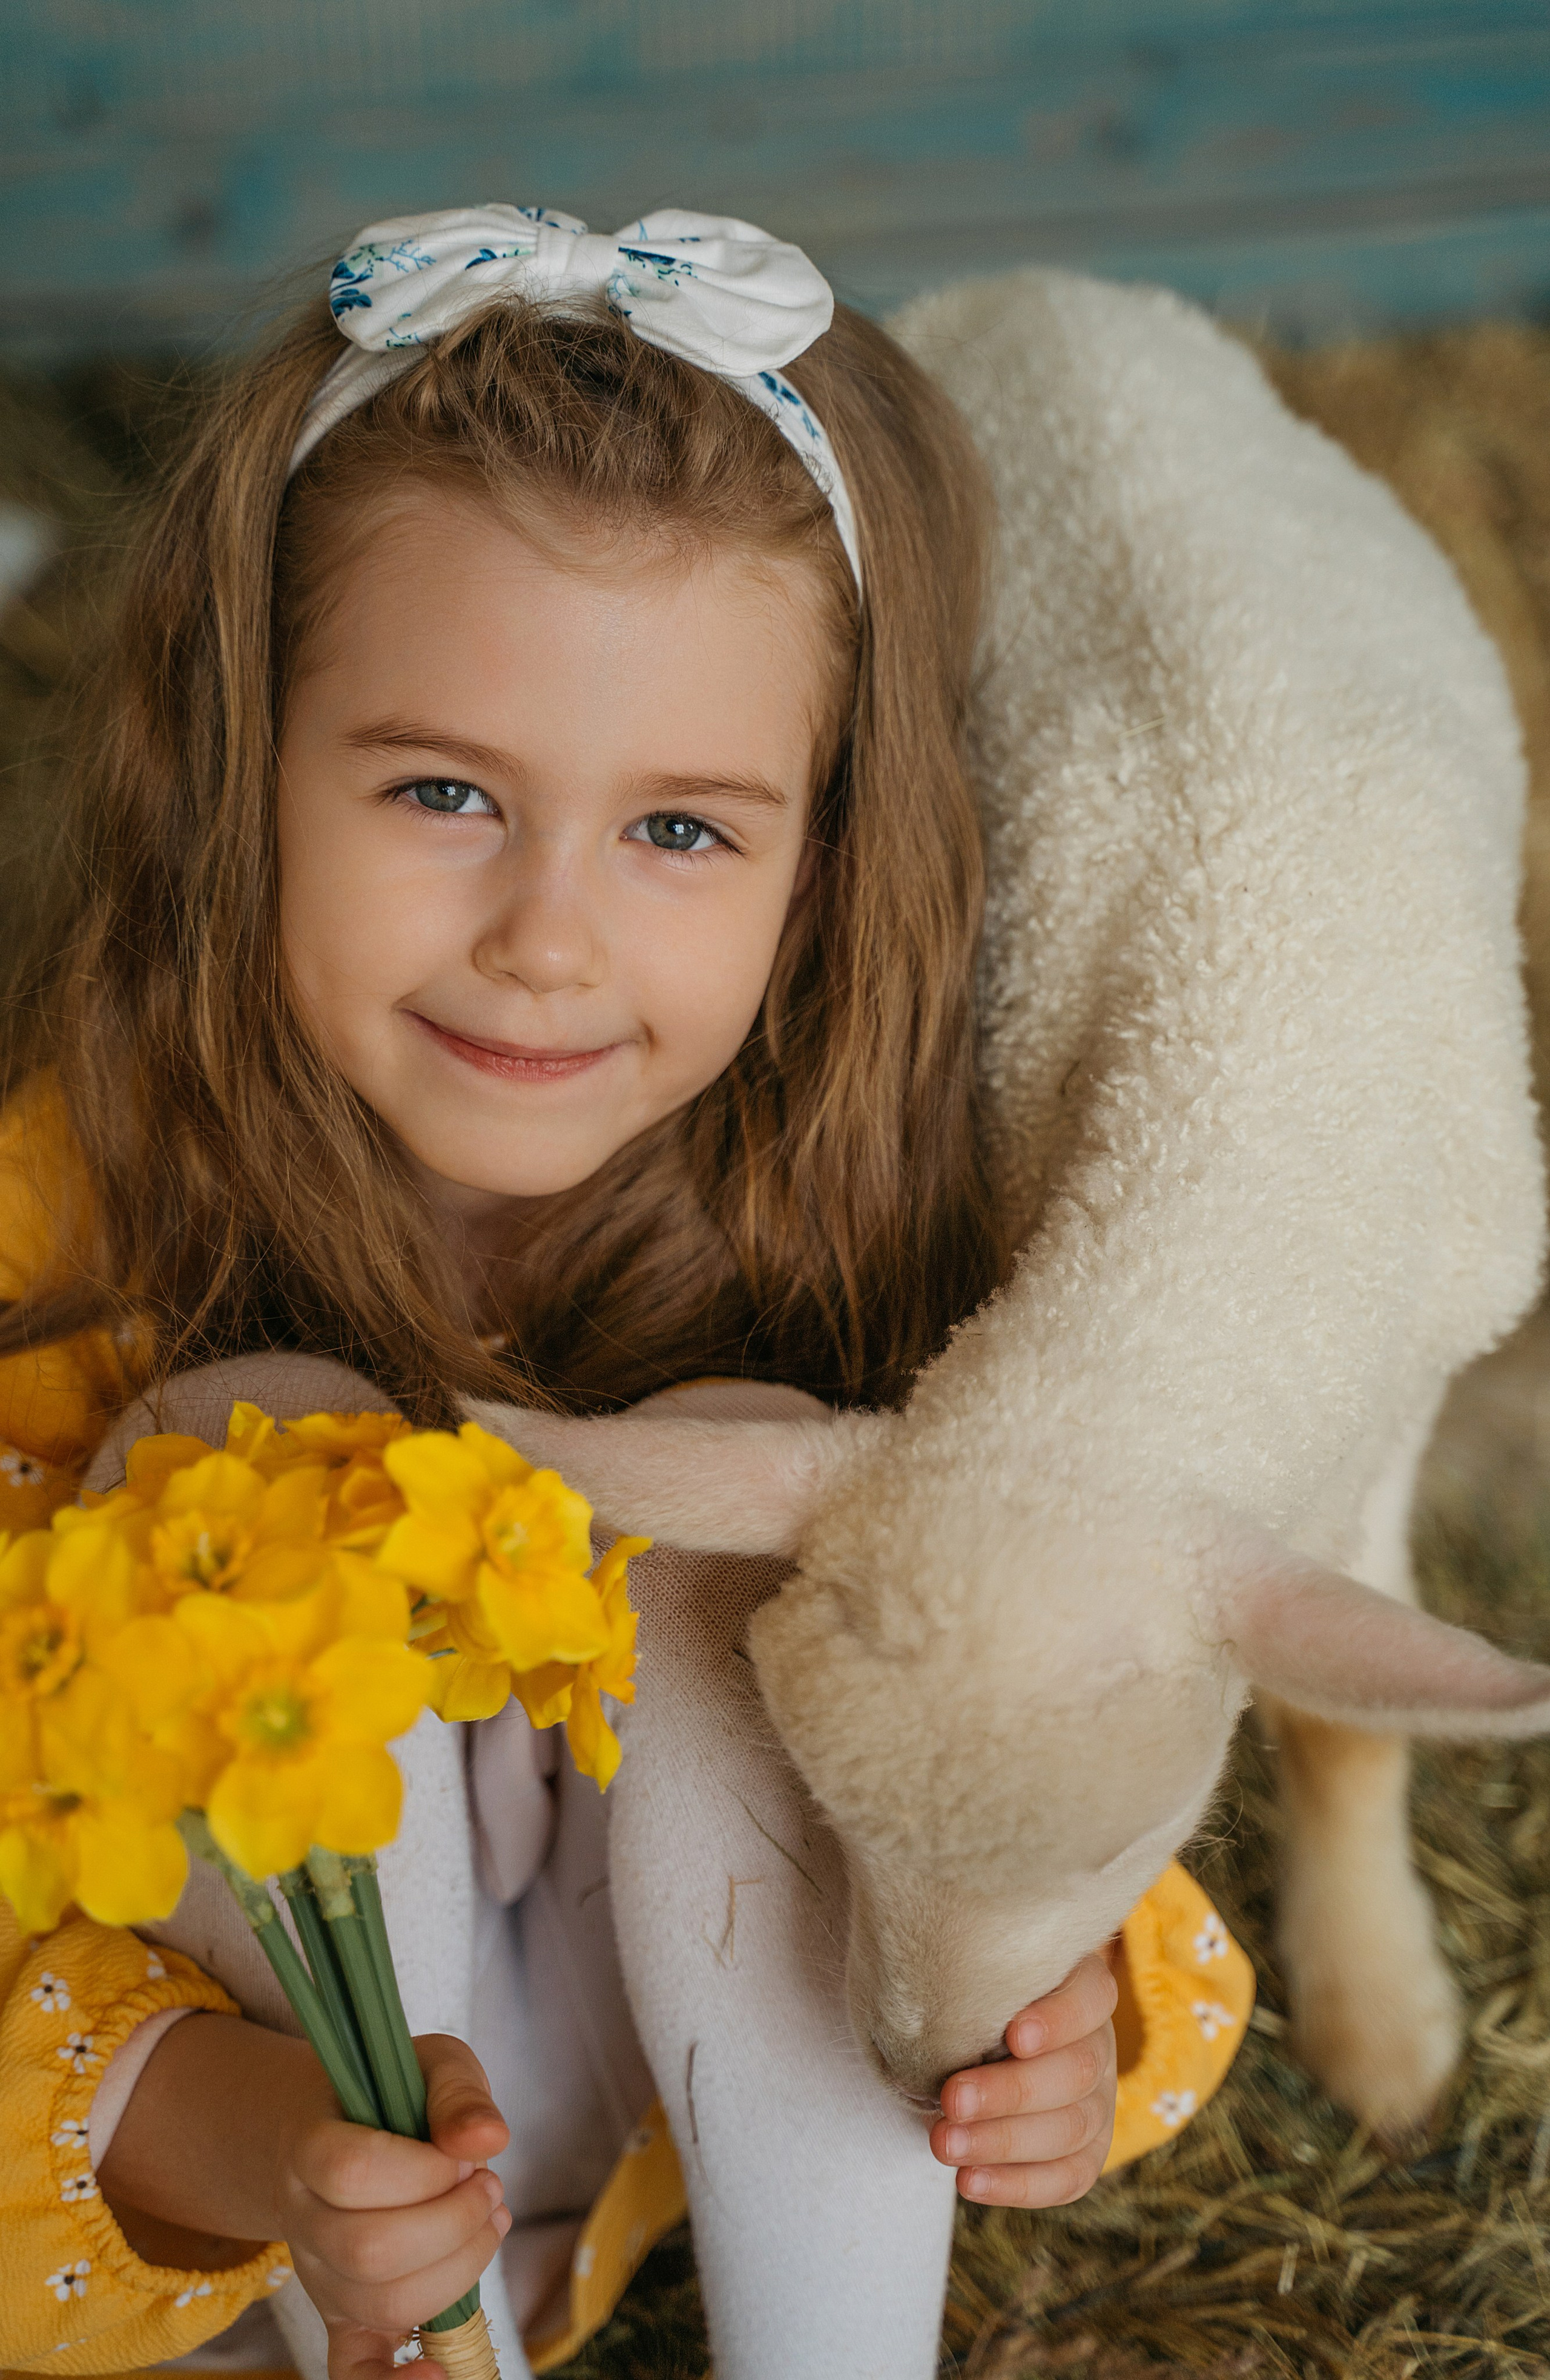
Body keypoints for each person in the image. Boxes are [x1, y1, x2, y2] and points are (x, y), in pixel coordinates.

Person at [0, 208, 1248, 2380]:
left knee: (769, 1507)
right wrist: (268, 2139)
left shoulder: (883, 1228)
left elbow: (1052, 1758)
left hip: (711, 2083)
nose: (547, 939)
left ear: (825, 857)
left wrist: (1063, 2013)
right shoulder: (70, 1207)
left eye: (681, 831)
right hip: (253, 2151)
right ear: (239, 762)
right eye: (445, 790)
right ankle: (416, 2352)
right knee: (244, 1445)